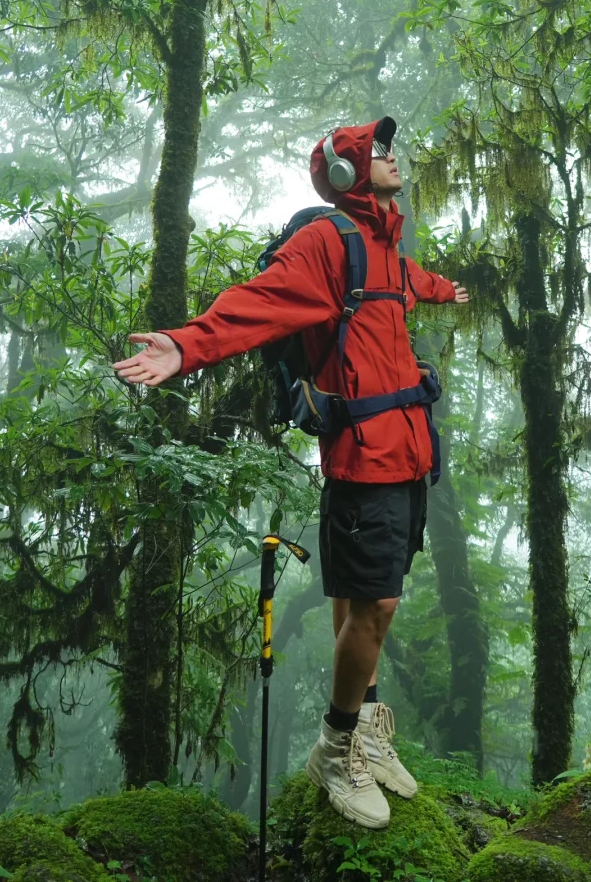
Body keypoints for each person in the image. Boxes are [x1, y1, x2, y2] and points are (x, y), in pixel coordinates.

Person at [113, 117, 469, 828]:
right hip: (363, 455)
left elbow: (410, 282)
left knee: (355, 596)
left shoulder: (386, 249)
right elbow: (259, 301)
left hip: (407, 451)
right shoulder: (327, 242)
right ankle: (336, 747)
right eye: (375, 150)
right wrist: (186, 346)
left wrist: (443, 290)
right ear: (344, 174)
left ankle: (365, 723)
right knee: (376, 606)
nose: (391, 157)